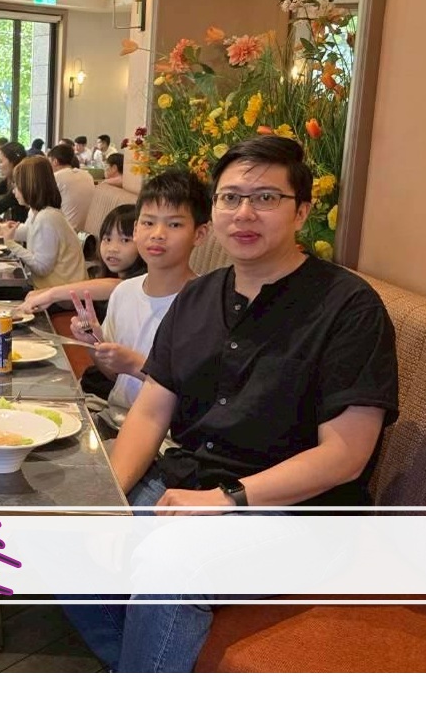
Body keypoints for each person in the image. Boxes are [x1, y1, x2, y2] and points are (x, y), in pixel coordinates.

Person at [63, 136, 400, 672]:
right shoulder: (198, 297)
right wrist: (109, 500)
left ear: (301, 211)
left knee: (168, 562)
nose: (244, 213)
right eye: (230, 198)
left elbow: (345, 456)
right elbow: (151, 409)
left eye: (266, 198)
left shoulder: (348, 307)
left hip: (298, 514)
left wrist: (228, 499)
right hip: (189, 480)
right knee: (57, 525)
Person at [70, 171, 206, 412]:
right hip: (114, 415)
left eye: (174, 224)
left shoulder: (205, 304)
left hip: (168, 431)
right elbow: (114, 376)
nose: (157, 234)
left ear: (199, 234)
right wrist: (94, 342)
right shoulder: (124, 292)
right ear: (136, 229)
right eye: (148, 223)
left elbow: (198, 395)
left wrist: (136, 365)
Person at [16, 202, 145, 320]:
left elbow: (118, 286)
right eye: (107, 239)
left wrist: (51, 294)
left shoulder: (141, 282)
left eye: (125, 240)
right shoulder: (107, 276)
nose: (112, 248)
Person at [0, 156, 85, 290]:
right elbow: (29, 232)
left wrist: (11, 244)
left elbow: (42, 268)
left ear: (30, 187)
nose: (14, 191)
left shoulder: (47, 218)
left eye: (17, 186)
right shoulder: (38, 212)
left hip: (61, 294)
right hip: (49, 289)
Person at [46, 144, 96, 233]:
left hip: (66, 232)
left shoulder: (55, 177)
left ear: (55, 161)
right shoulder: (88, 176)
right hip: (87, 232)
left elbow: (44, 207)